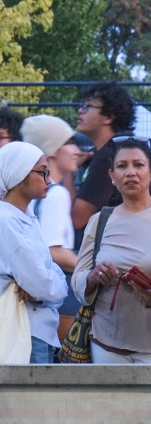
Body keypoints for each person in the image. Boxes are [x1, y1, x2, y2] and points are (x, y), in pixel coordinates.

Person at [0, 142, 68, 363]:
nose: (49, 179)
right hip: (25, 334)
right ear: (19, 176)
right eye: (42, 172)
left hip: (37, 331)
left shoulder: (24, 218)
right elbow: (43, 285)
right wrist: (57, 286)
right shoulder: (7, 222)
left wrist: (50, 284)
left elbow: (46, 279)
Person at [71, 139, 151, 363]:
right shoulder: (100, 221)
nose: (130, 172)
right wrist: (93, 277)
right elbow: (78, 278)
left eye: (138, 165)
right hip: (106, 345)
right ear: (112, 177)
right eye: (122, 166)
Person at [21, 115, 83, 344]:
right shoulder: (56, 195)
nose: (77, 150)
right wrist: (91, 269)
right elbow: (53, 250)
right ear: (54, 149)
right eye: (70, 142)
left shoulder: (35, 195)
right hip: (60, 302)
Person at [71, 82, 136, 235]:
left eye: (87, 107)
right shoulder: (112, 150)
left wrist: (67, 170)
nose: (80, 111)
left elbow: (77, 218)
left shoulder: (110, 156)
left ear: (108, 117)